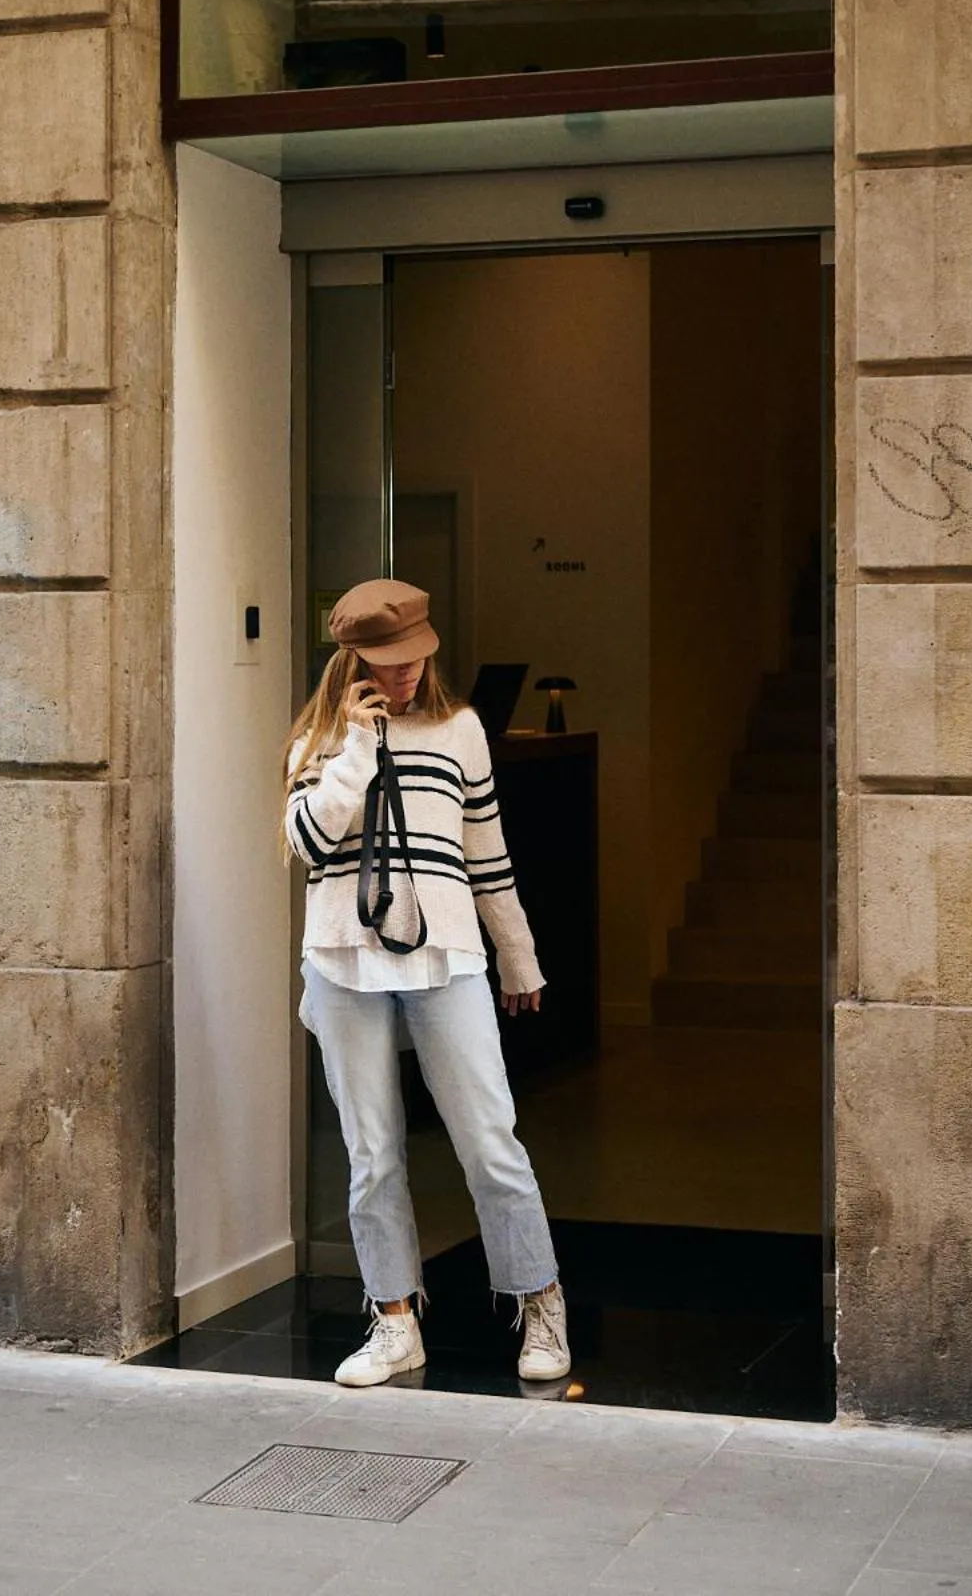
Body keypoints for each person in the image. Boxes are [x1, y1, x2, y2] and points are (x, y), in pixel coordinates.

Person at [284, 577, 570, 1389]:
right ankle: (394, 1322)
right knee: (371, 1154)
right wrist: (355, 748)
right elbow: (309, 845)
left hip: (445, 957)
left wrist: (517, 958)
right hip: (342, 962)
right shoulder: (316, 740)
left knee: (489, 1141)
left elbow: (487, 852)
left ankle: (540, 1300)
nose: (405, 671)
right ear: (352, 660)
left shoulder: (460, 729)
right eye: (386, 660)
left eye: (413, 656)